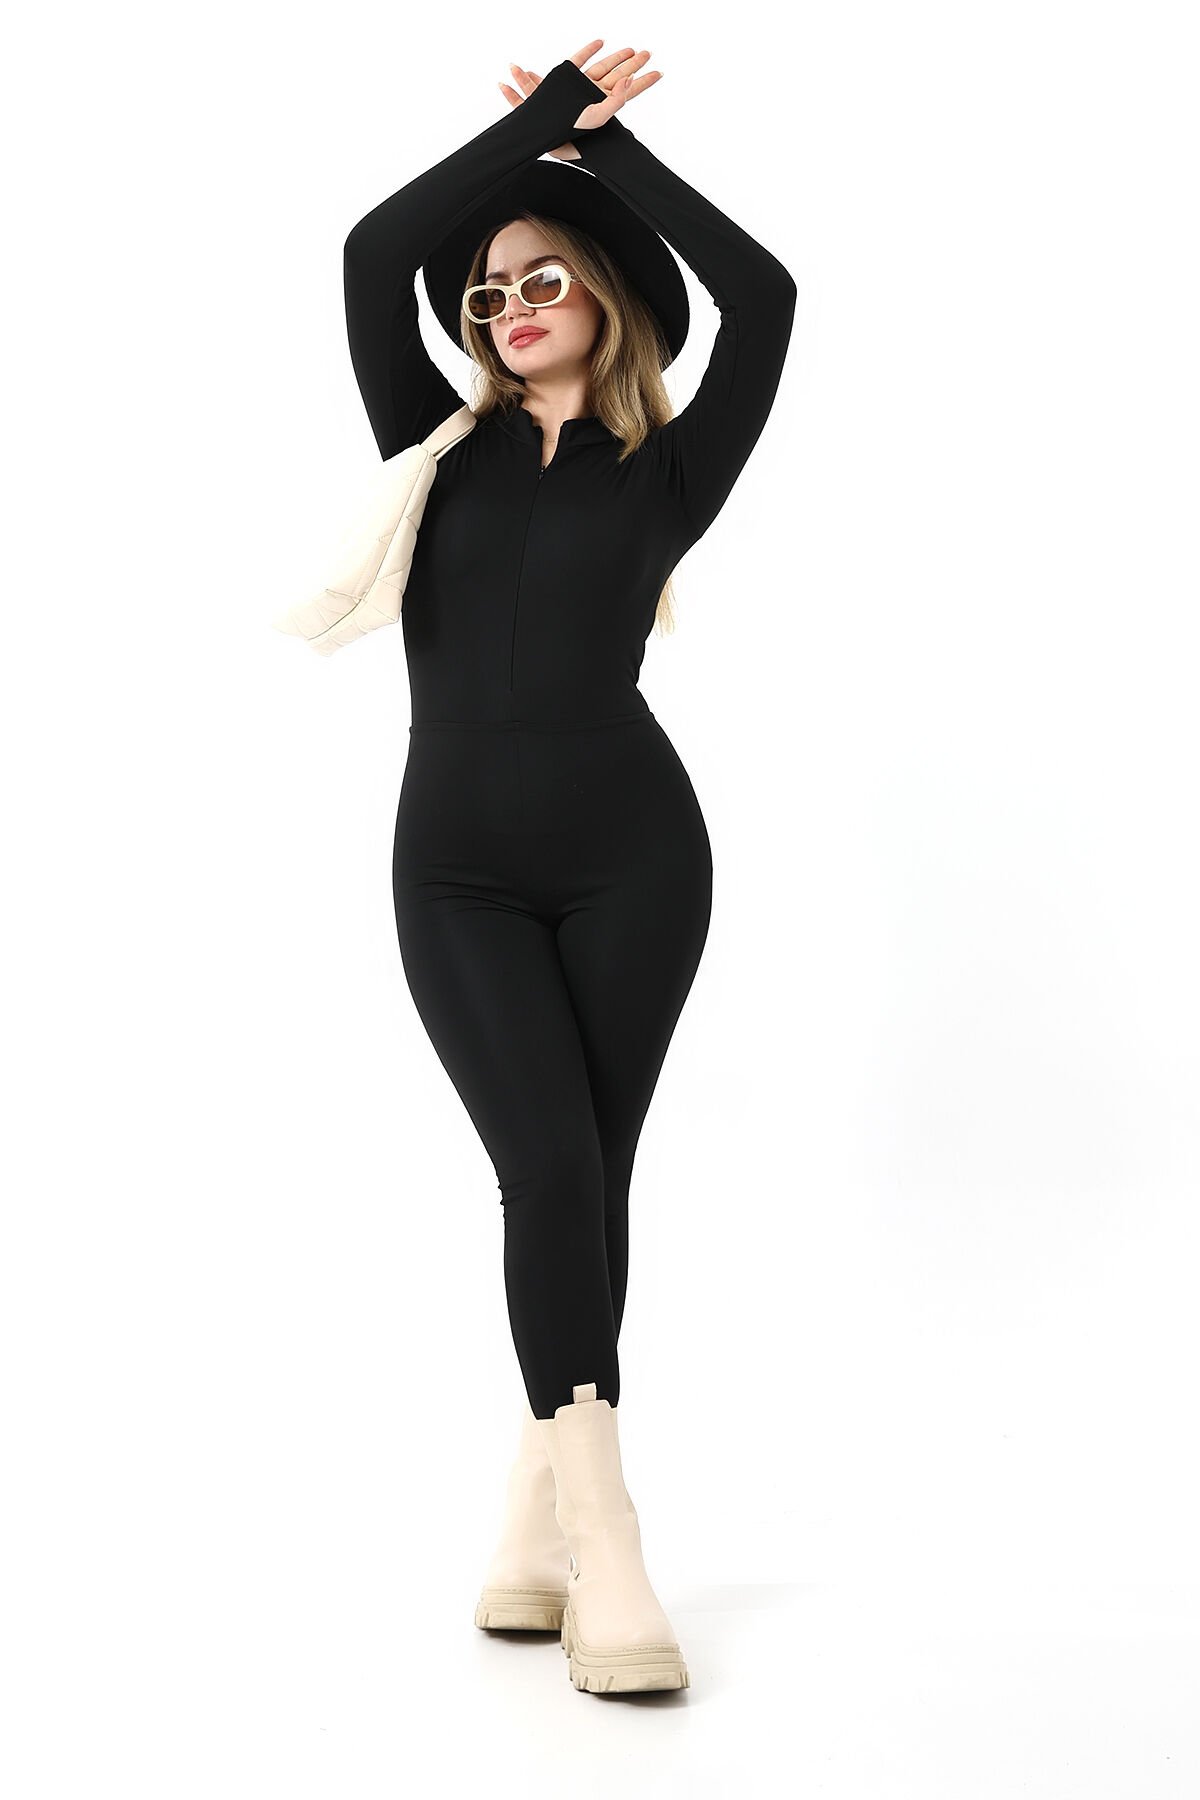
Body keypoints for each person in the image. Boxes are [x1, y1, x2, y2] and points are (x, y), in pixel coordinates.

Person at [341, 40, 796, 1694]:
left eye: (545, 278)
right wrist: (532, 131)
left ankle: (538, 1534)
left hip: (635, 861)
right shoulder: (434, 443)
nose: (510, 305)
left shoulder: (670, 466)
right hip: (456, 867)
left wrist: (607, 161)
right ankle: (609, 1537)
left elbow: (766, 293)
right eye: (490, 293)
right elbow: (369, 256)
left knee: (589, 1177)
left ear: (606, 295)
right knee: (546, 1165)